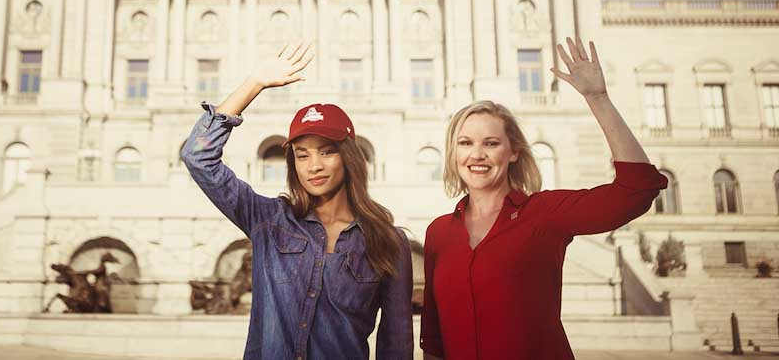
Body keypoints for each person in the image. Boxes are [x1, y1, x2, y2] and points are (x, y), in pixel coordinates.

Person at [420, 38, 668, 360]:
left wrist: (598, 99)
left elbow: (637, 191)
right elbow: (434, 336)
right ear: (454, 153)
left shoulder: (544, 214)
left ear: (513, 152)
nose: (476, 155)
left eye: (491, 143)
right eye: (465, 143)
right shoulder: (439, 232)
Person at [182, 43, 414, 360]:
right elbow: (198, 156)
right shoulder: (268, 220)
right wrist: (255, 83)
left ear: (349, 158)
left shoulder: (389, 242)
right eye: (302, 155)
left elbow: (396, 345)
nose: (313, 166)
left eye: (326, 152)